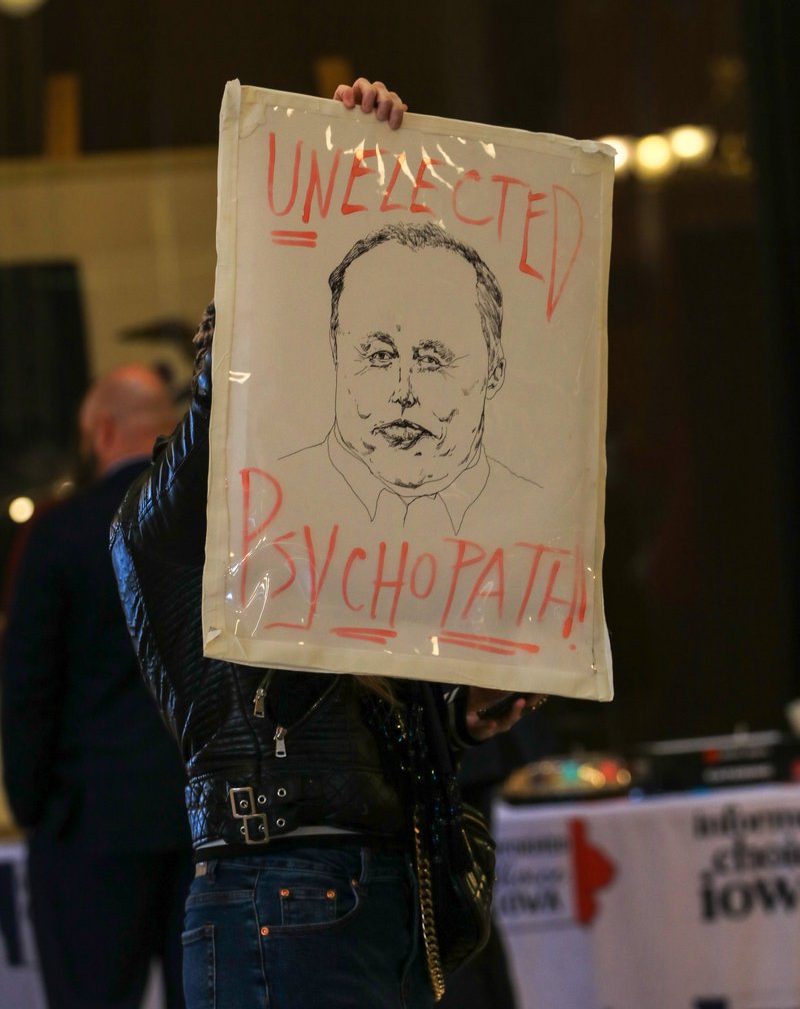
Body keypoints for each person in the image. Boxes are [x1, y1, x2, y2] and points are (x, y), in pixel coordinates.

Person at [110, 78, 544, 1009]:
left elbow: (362, 720)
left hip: (382, 895)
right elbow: (237, 389)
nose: (391, 387)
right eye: (364, 356)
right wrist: (324, 167)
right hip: (284, 892)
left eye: (425, 357)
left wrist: (460, 714)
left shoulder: (354, 530)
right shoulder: (169, 522)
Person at [1, 364, 194, 1009]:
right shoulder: (209, 522)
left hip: (93, 823)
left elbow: (28, 688)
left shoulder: (57, 535)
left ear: (103, 430)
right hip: (203, 817)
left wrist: (33, 811)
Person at [277, 220, 545, 538]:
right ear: (336, 352)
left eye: (431, 361)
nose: (403, 392)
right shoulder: (272, 497)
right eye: (380, 355)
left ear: (494, 371)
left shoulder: (540, 519)